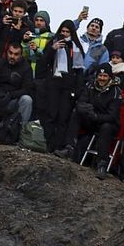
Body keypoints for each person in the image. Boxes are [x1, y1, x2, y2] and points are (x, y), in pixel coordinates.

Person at [60, 63, 124, 178]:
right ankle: (69, 147)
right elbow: (81, 101)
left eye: (105, 76)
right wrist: (86, 109)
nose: (102, 78)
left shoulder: (116, 92)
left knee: (106, 127)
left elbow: (113, 116)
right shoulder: (90, 86)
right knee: (76, 113)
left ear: (110, 77)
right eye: (100, 75)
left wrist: (96, 116)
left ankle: (102, 164)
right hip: (91, 118)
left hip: (107, 123)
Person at [38, 19, 85, 153]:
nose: (64, 34)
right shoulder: (53, 42)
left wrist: (77, 90)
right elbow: (43, 61)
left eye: (67, 32)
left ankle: (58, 146)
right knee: (51, 115)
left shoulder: (75, 46)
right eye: (62, 31)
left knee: (63, 117)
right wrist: (53, 49)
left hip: (68, 86)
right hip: (53, 83)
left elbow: (79, 70)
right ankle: (47, 144)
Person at [0, 42, 34, 139]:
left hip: (13, 100)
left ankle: (19, 132)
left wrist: (10, 95)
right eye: (10, 53)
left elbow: (27, 89)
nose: (12, 56)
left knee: (27, 99)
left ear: (21, 55)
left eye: (16, 54)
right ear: (7, 52)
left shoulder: (26, 67)